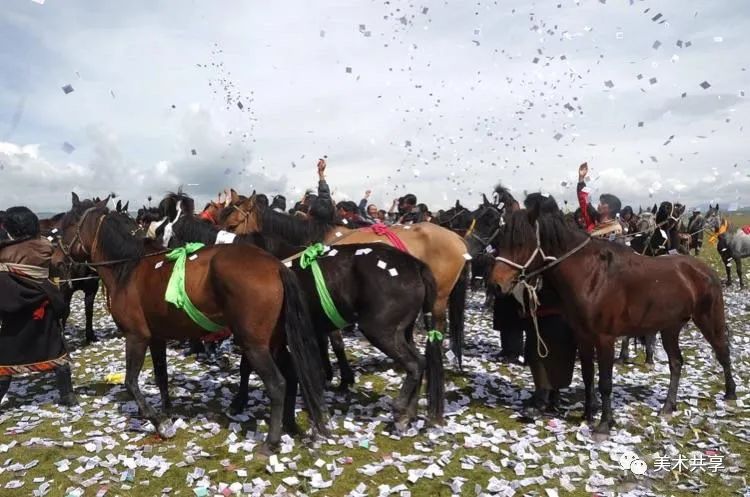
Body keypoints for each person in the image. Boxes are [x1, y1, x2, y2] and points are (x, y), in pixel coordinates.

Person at [0, 206, 78, 407]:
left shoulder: (3, 254)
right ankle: (67, 395)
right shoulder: (47, 248)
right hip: (45, 312)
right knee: (57, 355)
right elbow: (56, 275)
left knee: (6, 358)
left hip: (13, 315)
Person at [576, 162, 623, 239]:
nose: (599, 205)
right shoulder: (593, 219)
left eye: (603, 203)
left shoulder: (616, 228)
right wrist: (581, 179)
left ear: (612, 208)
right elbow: (584, 201)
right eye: (600, 202)